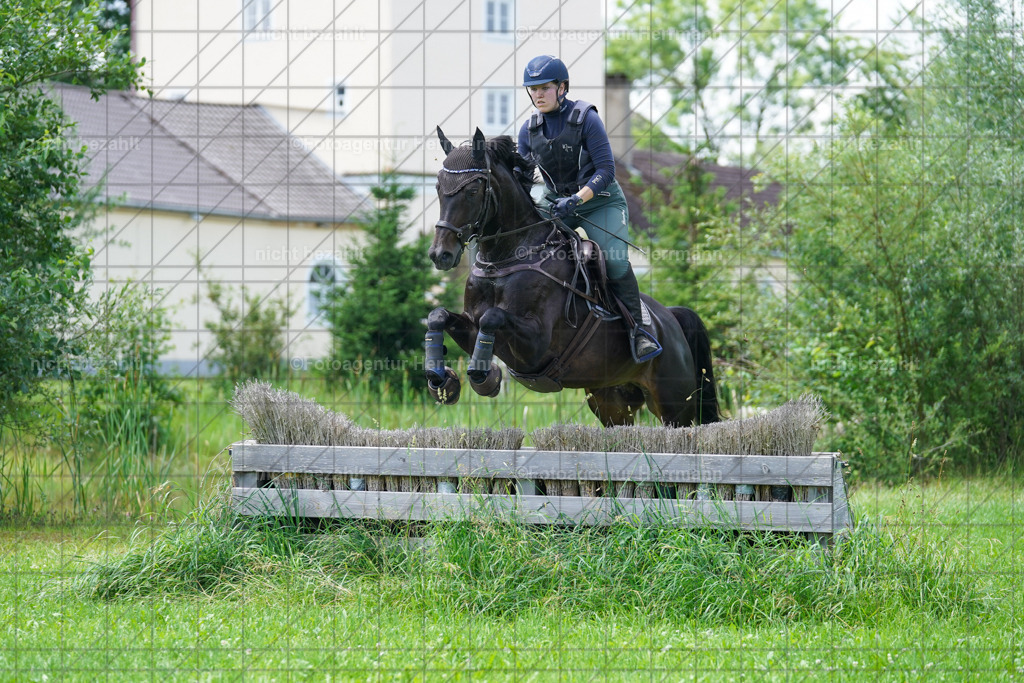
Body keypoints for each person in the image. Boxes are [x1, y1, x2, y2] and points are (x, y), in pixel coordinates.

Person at [517, 54, 661, 362]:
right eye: (533, 89)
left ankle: (640, 330)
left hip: (600, 202)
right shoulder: (528, 132)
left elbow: (606, 169)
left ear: (562, 87)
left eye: (544, 87)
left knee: (616, 263)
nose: (538, 95)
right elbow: (522, 178)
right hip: (557, 204)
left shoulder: (587, 118)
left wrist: (577, 199)